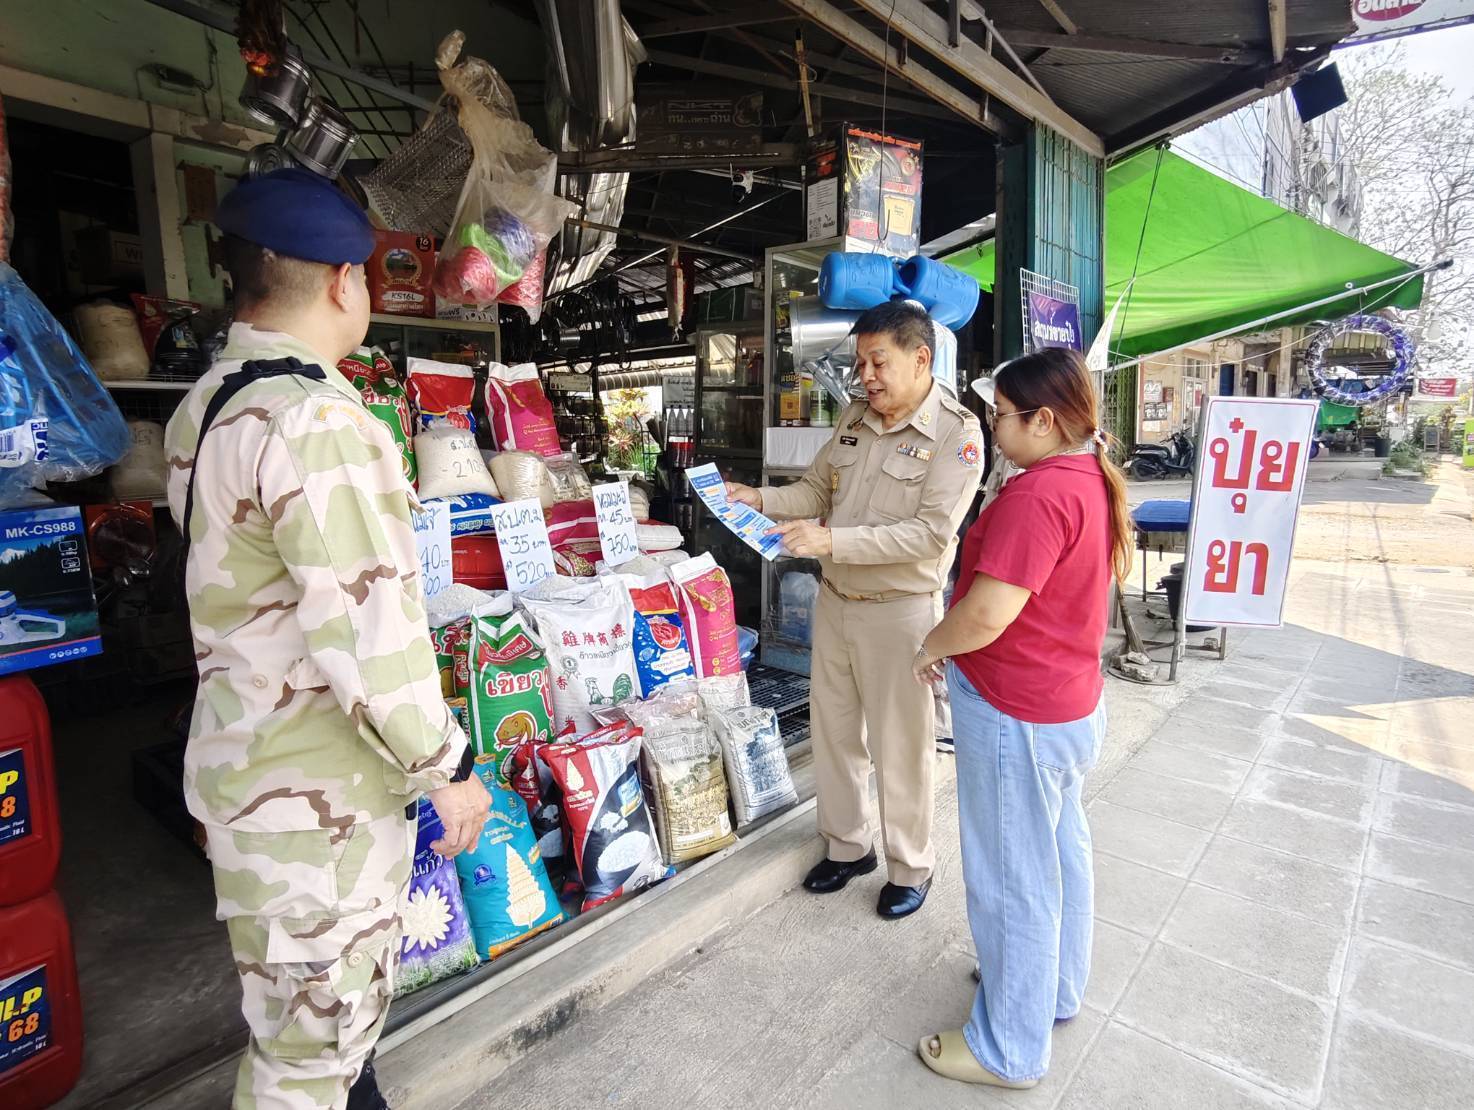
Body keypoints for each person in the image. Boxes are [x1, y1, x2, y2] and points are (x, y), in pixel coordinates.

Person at [163, 168, 491, 1110]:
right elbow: (370, 642)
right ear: (348, 282)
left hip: (249, 776)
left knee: (321, 1047)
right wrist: (450, 766)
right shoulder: (320, 418)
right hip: (320, 818)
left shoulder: (209, 403)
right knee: (305, 1070)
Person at [910, 347, 1133, 1088]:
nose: (995, 430)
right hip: (1065, 705)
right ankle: (1051, 993)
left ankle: (1009, 1048)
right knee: (1059, 857)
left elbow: (984, 615)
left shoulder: (1038, 497)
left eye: (1002, 417)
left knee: (1013, 880)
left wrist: (929, 646)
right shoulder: (1083, 478)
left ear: (1042, 420)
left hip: (1017, 714)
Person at [726, 301, 982, 918]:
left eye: (878, 362)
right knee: (834, 736)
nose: (865, 375)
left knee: (902, 746)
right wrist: (756, 497)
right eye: (860, 362)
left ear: (920, 359)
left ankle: (910, 865)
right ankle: (847, 847)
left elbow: (928, 535)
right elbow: (815, 491)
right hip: (836, 603)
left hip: (902, 613)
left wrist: (831, 540)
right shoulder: (854, 418)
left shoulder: (957, 434)